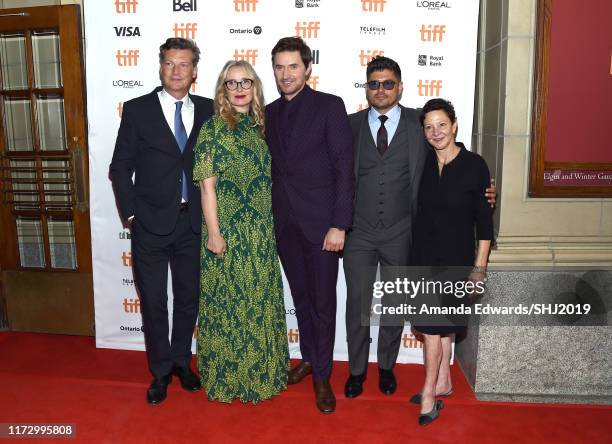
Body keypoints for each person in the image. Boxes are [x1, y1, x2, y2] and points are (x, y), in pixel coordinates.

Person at [343, 57, 497, 401]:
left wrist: (481, 184)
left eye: (388, 83)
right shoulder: (348, 125)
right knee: (357, 306)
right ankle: (356, 370)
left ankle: (385, 367)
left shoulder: (418, 122)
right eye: (374, 83)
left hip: (403, 233)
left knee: (395, 306)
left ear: (400, 86)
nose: (380, 89)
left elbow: (450, 151)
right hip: (359, 232)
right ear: (366, 88)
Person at [110, 38, 214, 404]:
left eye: (183, 64)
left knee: (188, 298)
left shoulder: (208, 109)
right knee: (153, 301)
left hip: (192, 225)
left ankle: (182, 363)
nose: (175, 70)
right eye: (169, 63)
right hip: (149, 226)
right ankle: (159, 372)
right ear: (160, 67)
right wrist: (132, 214)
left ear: (194, 71)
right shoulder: (138, 109)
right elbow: (120, 166)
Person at [265, 37, 354, 413]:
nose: (286, 74)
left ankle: (322, 375)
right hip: (285, 224)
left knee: (322, 303)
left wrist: (339, 225)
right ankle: (307, 358)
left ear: (307, 68)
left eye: (293, 67)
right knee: (300, 298)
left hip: (322, 227)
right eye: (279, 67)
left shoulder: (329, 106)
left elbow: (344, 170)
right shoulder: (266, 112)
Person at [193, 60, 289, 403]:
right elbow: (207, 188)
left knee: (259, 303)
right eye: (231, 83)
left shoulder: (257, 127)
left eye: (245, 82)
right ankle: (232, 377)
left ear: (255, 87)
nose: (239, 88)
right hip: (229, 234)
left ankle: (263, 372)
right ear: (223, 89)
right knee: (231, 305)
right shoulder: (214, 129)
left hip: (260, 233)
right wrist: (214, 234)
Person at [409, 98, 493, 426]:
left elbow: (484, 224)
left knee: (433, 329)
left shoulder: (475, 165)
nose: (436, 132)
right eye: (429, 127)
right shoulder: (424, 164)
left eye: (442, 124)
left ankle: (429, 394)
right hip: (422, 259)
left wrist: (480, 267)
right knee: (437, 328)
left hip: (457, 261)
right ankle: (443, 381)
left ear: (455, 125)